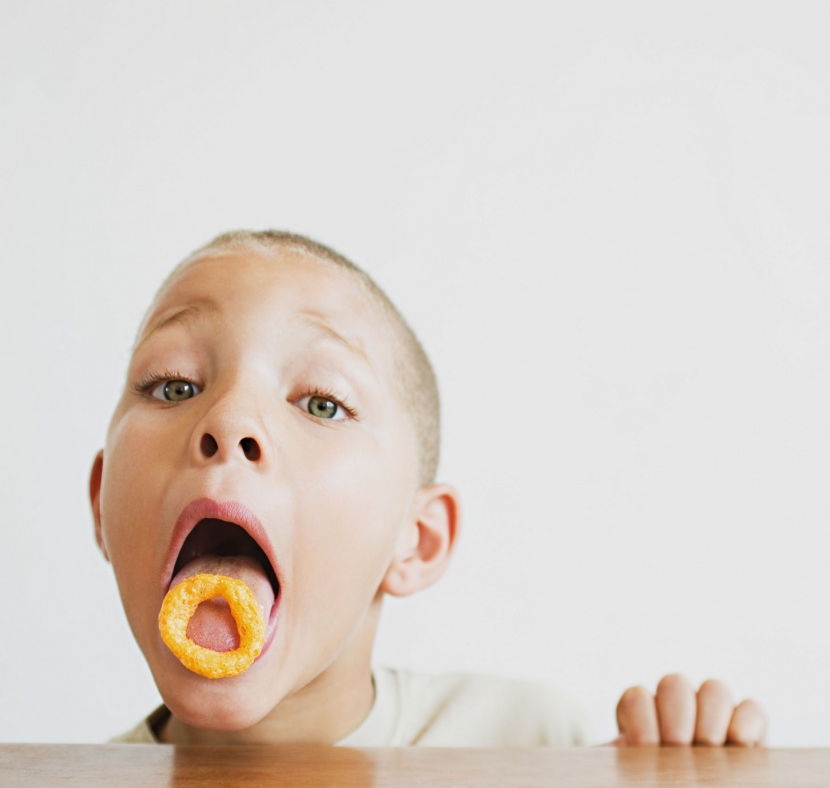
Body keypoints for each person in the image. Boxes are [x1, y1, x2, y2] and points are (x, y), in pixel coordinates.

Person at [91, 230, 767, 748]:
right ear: (99, 502)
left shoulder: (527, 750)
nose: (230, 422)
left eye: (322, 402)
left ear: (416, 540)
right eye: (174, 384)